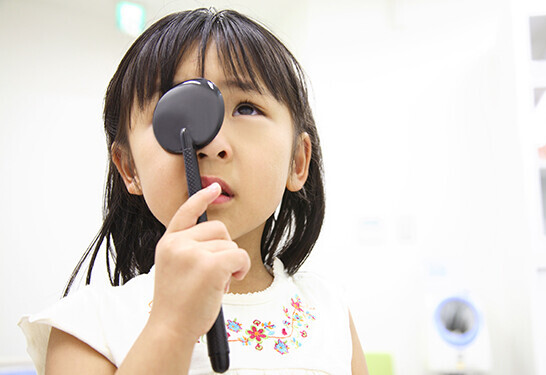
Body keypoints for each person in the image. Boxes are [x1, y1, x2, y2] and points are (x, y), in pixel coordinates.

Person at [19, 7, 368, 375]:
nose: (210, 143)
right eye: (175, 113)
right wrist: (171, 327)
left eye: (246, 108)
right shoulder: (89, 326)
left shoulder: (330, 313)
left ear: (298, 161)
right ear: (129, 168)